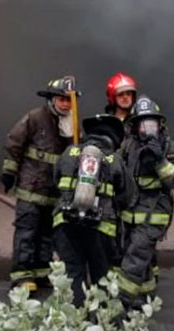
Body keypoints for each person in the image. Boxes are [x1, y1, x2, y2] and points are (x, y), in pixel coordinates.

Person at [2, 76, 77, 291]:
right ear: (52, 99)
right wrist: (9, 172)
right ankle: (22, 276)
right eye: (61, 99)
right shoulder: (35, 118)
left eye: (68, 100)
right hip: (30, 188)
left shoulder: (72, 124)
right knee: (27, 231)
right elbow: (14, 142)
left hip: (55, 191)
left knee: (47, 233)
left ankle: (41, 272)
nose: (64, 104)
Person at [53, 114, 133, 306]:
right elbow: (127, 197)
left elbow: (56, 181)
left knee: (72, 274)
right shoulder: (115, 159)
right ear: (114, 137)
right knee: (102, 277)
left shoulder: (68, 152)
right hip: (101, 227)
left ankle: (74, 326)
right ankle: (102, 326)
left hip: (65, 222)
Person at [117, 95, 174, 309]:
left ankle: (122, 303)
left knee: (135, 257)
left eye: (152, 123)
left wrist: (160, 160)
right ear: (135, 126)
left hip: (155, 212)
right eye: (143, 124)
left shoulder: (167, 146)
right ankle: (144, 297)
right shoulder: (127, 145)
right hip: (130, 211)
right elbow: (117, 171)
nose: (148, 129)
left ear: (160, 124)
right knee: (134, 254)